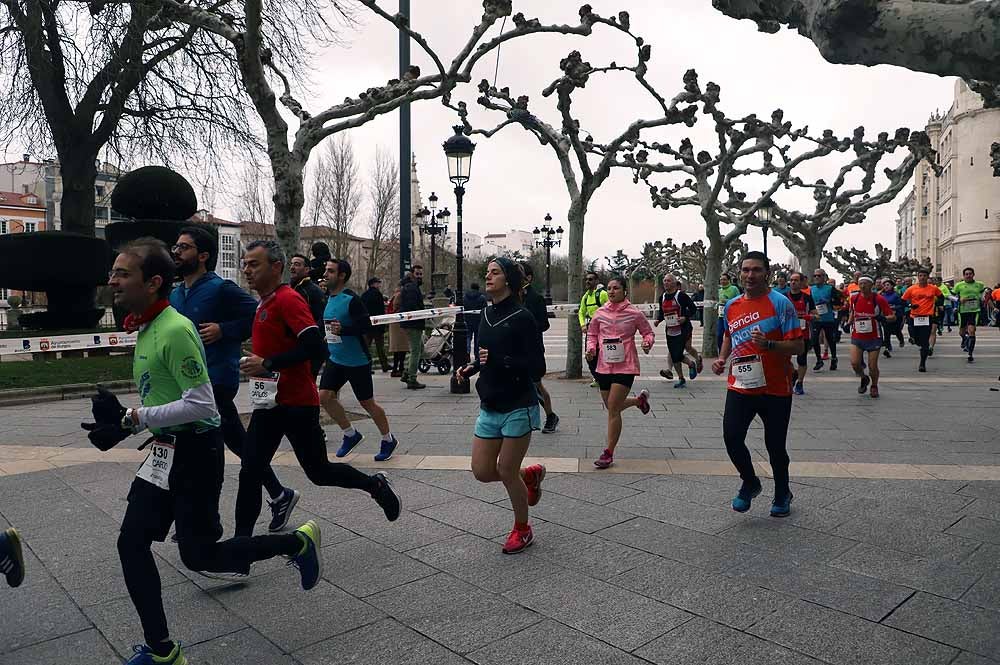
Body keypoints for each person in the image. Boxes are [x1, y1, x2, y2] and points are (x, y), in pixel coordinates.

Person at [85, 238, 323, 665]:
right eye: (113, 272)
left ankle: (295, 544)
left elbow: (202, 404)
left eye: (123, 273)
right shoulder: (149, 325)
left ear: (153, 282)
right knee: (131, 543)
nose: (112, 279)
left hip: (196, 451)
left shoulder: (175, 330)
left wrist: (131, 418)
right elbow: (161, 392)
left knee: (201, 556)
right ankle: (163, 652)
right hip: (164, 452)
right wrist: (118, 421)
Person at [235, 240, 400, 548]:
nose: (246, 270)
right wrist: (258, 361)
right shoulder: (264, 302)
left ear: (276, 267)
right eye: (245, 263)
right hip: (269, 403)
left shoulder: (288, 300)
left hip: (297, 404)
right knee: (250, 470)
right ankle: (240, 548)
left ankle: (374, 485)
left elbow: (315, 347)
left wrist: (268, 363)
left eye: (253, 264)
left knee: (319, 472)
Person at [170, 228, 298, 534]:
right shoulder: (176, 293)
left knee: (200, 449)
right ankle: (280, 495)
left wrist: (223, 330)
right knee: (238, 444)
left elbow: (256, 314)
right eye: (176, 246)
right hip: (188, 383)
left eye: (184, 247)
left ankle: (198, 519)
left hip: (216, 380)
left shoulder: (221, 289)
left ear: (202, 256)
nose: (176, 251)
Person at [457, 258, 546, 555]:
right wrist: (471, 368)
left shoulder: (523, 317)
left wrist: (503, 360)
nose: (488, 276)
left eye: (495, 272)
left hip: (518, 404)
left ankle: (523, 528)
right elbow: (484, 357)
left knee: (506, 470)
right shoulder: (485, 314)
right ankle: (529, 477)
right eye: (487, 273)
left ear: (508, 279)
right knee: (482, 470)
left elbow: (537, 368)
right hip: (490, 403)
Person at [712, 252, 804, 518]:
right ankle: (750, 482)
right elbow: (730, 335)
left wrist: (770, 345)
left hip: (775, 386)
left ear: (767, 274)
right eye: (745, 270)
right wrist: (721, 358)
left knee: (775, 446)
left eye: (756, 270)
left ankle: (782, 492)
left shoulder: (781, 304)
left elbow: (798, 345)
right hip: (741, 384)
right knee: (731, 437)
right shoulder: (731, 305)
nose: (750, 275)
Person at [319, 259, 399, 462]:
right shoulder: (329, 298)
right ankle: (350, 434)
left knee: (367, 404)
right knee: (325, 397)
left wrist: (343, 330)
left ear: (341, 276)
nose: (325, 274)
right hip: (336, 359)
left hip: (357, 361)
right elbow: (326, 325)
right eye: (326, 271)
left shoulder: (351, 300)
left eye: (330, 271)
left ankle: (388, 439)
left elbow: (366, 326)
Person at [587, 276, 654, 469]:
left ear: (625, 291)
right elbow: (592, 334)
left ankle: (608, 453)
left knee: (613, 409)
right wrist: (591, 348)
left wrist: (647, 343)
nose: (611, 291)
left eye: (616, 288)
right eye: (609, 288)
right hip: (604, 365)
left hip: (625, 366)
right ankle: (638, 401)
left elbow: (647, 332)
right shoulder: (600, 313)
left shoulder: (634, 313)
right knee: (610, 406)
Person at [520, 262, 559, 434]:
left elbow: (544, 324)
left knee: (536, 385)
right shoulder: (513, 296)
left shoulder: (536, 298)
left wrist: (527, 326)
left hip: (532, 350)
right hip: (516, 349)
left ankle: (550, 416)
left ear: (528, 278)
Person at [848, 276, 895, 399]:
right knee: (854, 363)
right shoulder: (854, 298)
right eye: (860, 284)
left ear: (871, 285)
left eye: (865, 284)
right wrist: (848, 322)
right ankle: (864, 378)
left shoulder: (878, 299)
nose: (862, 286)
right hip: (857, 335)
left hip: (874, 336)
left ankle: (874, 386)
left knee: (872, 366)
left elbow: (892, 316)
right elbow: (852, 312)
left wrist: (883, 318)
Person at [655, 273, 698, 388]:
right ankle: (681, 378)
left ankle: (691, 363)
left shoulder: (681, 296)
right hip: (670, 329)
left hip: (683, 328)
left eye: (668, 280)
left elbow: (693, 309)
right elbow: (661, 313)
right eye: (664, 281)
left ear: (674, 283)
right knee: (674, 355)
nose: (666, 283)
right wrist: (658, 320)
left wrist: (685, 317)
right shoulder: (662, 297)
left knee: (678, 353)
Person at [901, 267, 941, 373]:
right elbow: (903, 300)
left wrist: (937, 304)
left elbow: (941, 297)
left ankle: (922, 364)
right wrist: (910, 305)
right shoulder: (912, 289)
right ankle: (914, 339)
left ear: (927, 277)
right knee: (917, 339)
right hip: (914, 317)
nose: (922, 278)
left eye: (924, 276)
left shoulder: (933, 288)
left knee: (924, 342)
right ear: (918, 277)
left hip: (927, 317)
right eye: (920, 276)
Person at [785, 272, 816, 395]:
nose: (793, 282)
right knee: (784, 358)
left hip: (803, 334)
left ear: (802, 282)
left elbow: (816, 315)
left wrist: (807, 316)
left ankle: (800, 383)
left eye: (796, 280)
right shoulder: (784, 297)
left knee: (802, 359)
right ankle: (794, 373)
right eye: (791, 280)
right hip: (787, 333)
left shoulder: (807, 298)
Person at [399, 265, 427, 390]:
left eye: (421, 274)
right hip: (413, 323)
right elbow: (412, 307)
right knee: (416, 350)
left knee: (420, 348)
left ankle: (407, 373)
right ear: (412, 274)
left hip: (412, 323)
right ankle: (412, 378)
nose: (420, 276)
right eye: (417, 274)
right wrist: (422, 312)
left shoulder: (411, 287)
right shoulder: (411, 288)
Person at [579, 271, 609, 387]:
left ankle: (605, 378)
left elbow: (611, 308)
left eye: (591, 279)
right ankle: (597, 377)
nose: (588, 281)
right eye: (586, 279)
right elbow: (581, 312)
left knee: (603, 354)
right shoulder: (586, 296)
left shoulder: (602, 294)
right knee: (590, 355)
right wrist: (582, 325)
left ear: (596, 281)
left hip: (604, 330)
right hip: (591, 330)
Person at [809, 268, 841, 371]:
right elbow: (809, 304)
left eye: (819, 276)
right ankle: (819, 360)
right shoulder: (812, 289)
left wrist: (829, 301)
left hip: (828, 318)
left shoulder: (830, 289)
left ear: (824, 277)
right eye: (815, 276)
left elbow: (838, 301)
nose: (817, 278)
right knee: (814, 340)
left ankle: (834, 358)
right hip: (816, 318)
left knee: (830, 339)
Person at [953, 267, 987, 362]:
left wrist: (982, 298)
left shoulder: (979, 285)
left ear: (973, 274)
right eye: (966, 274)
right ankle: (965, 339)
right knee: (962, 332)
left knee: (972, 331)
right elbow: (951, 296)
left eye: (970, 274)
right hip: (962, 311)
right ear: (964, 276)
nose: (968, 275)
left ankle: (970, 353)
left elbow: (984, 292)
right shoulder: (959, 285)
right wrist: (959, 300)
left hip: (974, 311)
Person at [361, 277, 390, 373]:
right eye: (378, 283)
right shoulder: (378, 295)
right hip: (377, 325)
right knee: (380, 347)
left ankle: (366, 366)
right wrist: (383, 325)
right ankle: (384, 365)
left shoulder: (364, 295)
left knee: (366, 347)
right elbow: (381, 310)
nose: (379, 285)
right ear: (373, 284)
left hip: (367, 325)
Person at [387, 280, 409, 377]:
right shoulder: (400, 295)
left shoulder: (395, 294)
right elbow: (396, 307)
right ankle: (399, 368)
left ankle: (397, 367)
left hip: (394, 323)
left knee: (397, 348)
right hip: (399, 324)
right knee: (401, 347)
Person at [879, 278, 906, 357]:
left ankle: (901, 340)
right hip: (886, 316)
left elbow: (901, 304)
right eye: (884, 285)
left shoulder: (896, 295)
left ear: (892, 286)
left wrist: (894, 307)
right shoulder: (882, 295)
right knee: (886, 332)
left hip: (896, 315)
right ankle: (887, 348)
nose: (886, 286)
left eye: (888, 285)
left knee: (896, 330)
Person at [716, 273, 742, 353]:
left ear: (728, 280)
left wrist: (727, 301)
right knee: (719, 334)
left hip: (732, 316)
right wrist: (717, 304)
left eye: (724, 279)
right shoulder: (719, 290)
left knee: (732, 334)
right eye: (721, 280)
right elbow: (716, 301)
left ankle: (735, 351)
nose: (722, 281)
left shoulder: (734, 288)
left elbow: (739, 300)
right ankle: (721, 351)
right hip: (721, 316)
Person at [463, 282, 488, 357]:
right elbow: (485, 309)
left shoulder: (465, 297)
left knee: (468, 337)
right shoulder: (482, 297)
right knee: (477, 338)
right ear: (478, 288)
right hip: (478, 320)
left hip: (467, 319)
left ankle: (467, 352)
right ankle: (477, 354)